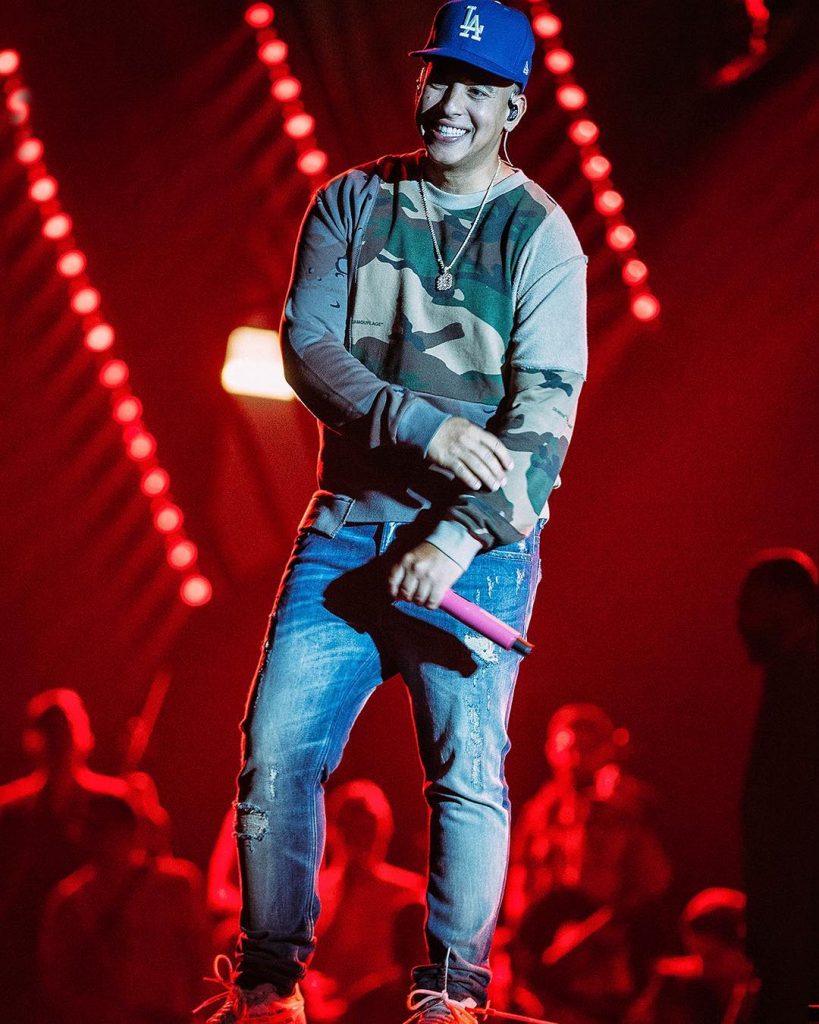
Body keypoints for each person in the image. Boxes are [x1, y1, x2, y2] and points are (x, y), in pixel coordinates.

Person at [204, 2, 588, 1022]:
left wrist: (456, 537)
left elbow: (543, 425)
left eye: (476, 87)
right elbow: (307, 351)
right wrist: (424, 427)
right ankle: (270, 981)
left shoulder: (542, 237)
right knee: (275, 753)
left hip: (479, 551)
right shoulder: (352, 201)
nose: (449, 101)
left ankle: (451, 993)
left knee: (468, 773)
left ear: (513, 108)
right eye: (438, 76)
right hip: (345, 530)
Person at [504, 704, 671, 1021]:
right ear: (551, 750)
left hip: (603, 971)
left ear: (606, 751)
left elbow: (653, 881)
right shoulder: (538, 813)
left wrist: (601, 926)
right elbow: (519, 880)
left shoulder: (622, 809)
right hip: (544, 973)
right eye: (568, 748)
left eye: (588, 748)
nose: (576, 759)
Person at [0, 688, 129, 1019]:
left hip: (92, 934)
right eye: (51, 733)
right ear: (35, 740)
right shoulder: (10, 809)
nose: (59, 743)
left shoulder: (111, 801)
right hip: (24, 939)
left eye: (64, 732)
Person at [39, 792, 210, 1024]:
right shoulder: (70, 901)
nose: (98, 839)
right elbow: (57, 979)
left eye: (103, 829)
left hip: (166, 1017)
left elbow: (199, 957)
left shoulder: (176, 886)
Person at [737, 548, 819, 1023]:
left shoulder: (801, 673)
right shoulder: (792, 668)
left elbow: (783, 805)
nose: (742, 622)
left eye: (752, 605)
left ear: (789, 600)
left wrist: (774, 909)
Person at [627, 887, 757, 1024]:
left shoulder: (754, 989)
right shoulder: (679, 987)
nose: (706, 966)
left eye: (714, 958)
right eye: (705, 959)